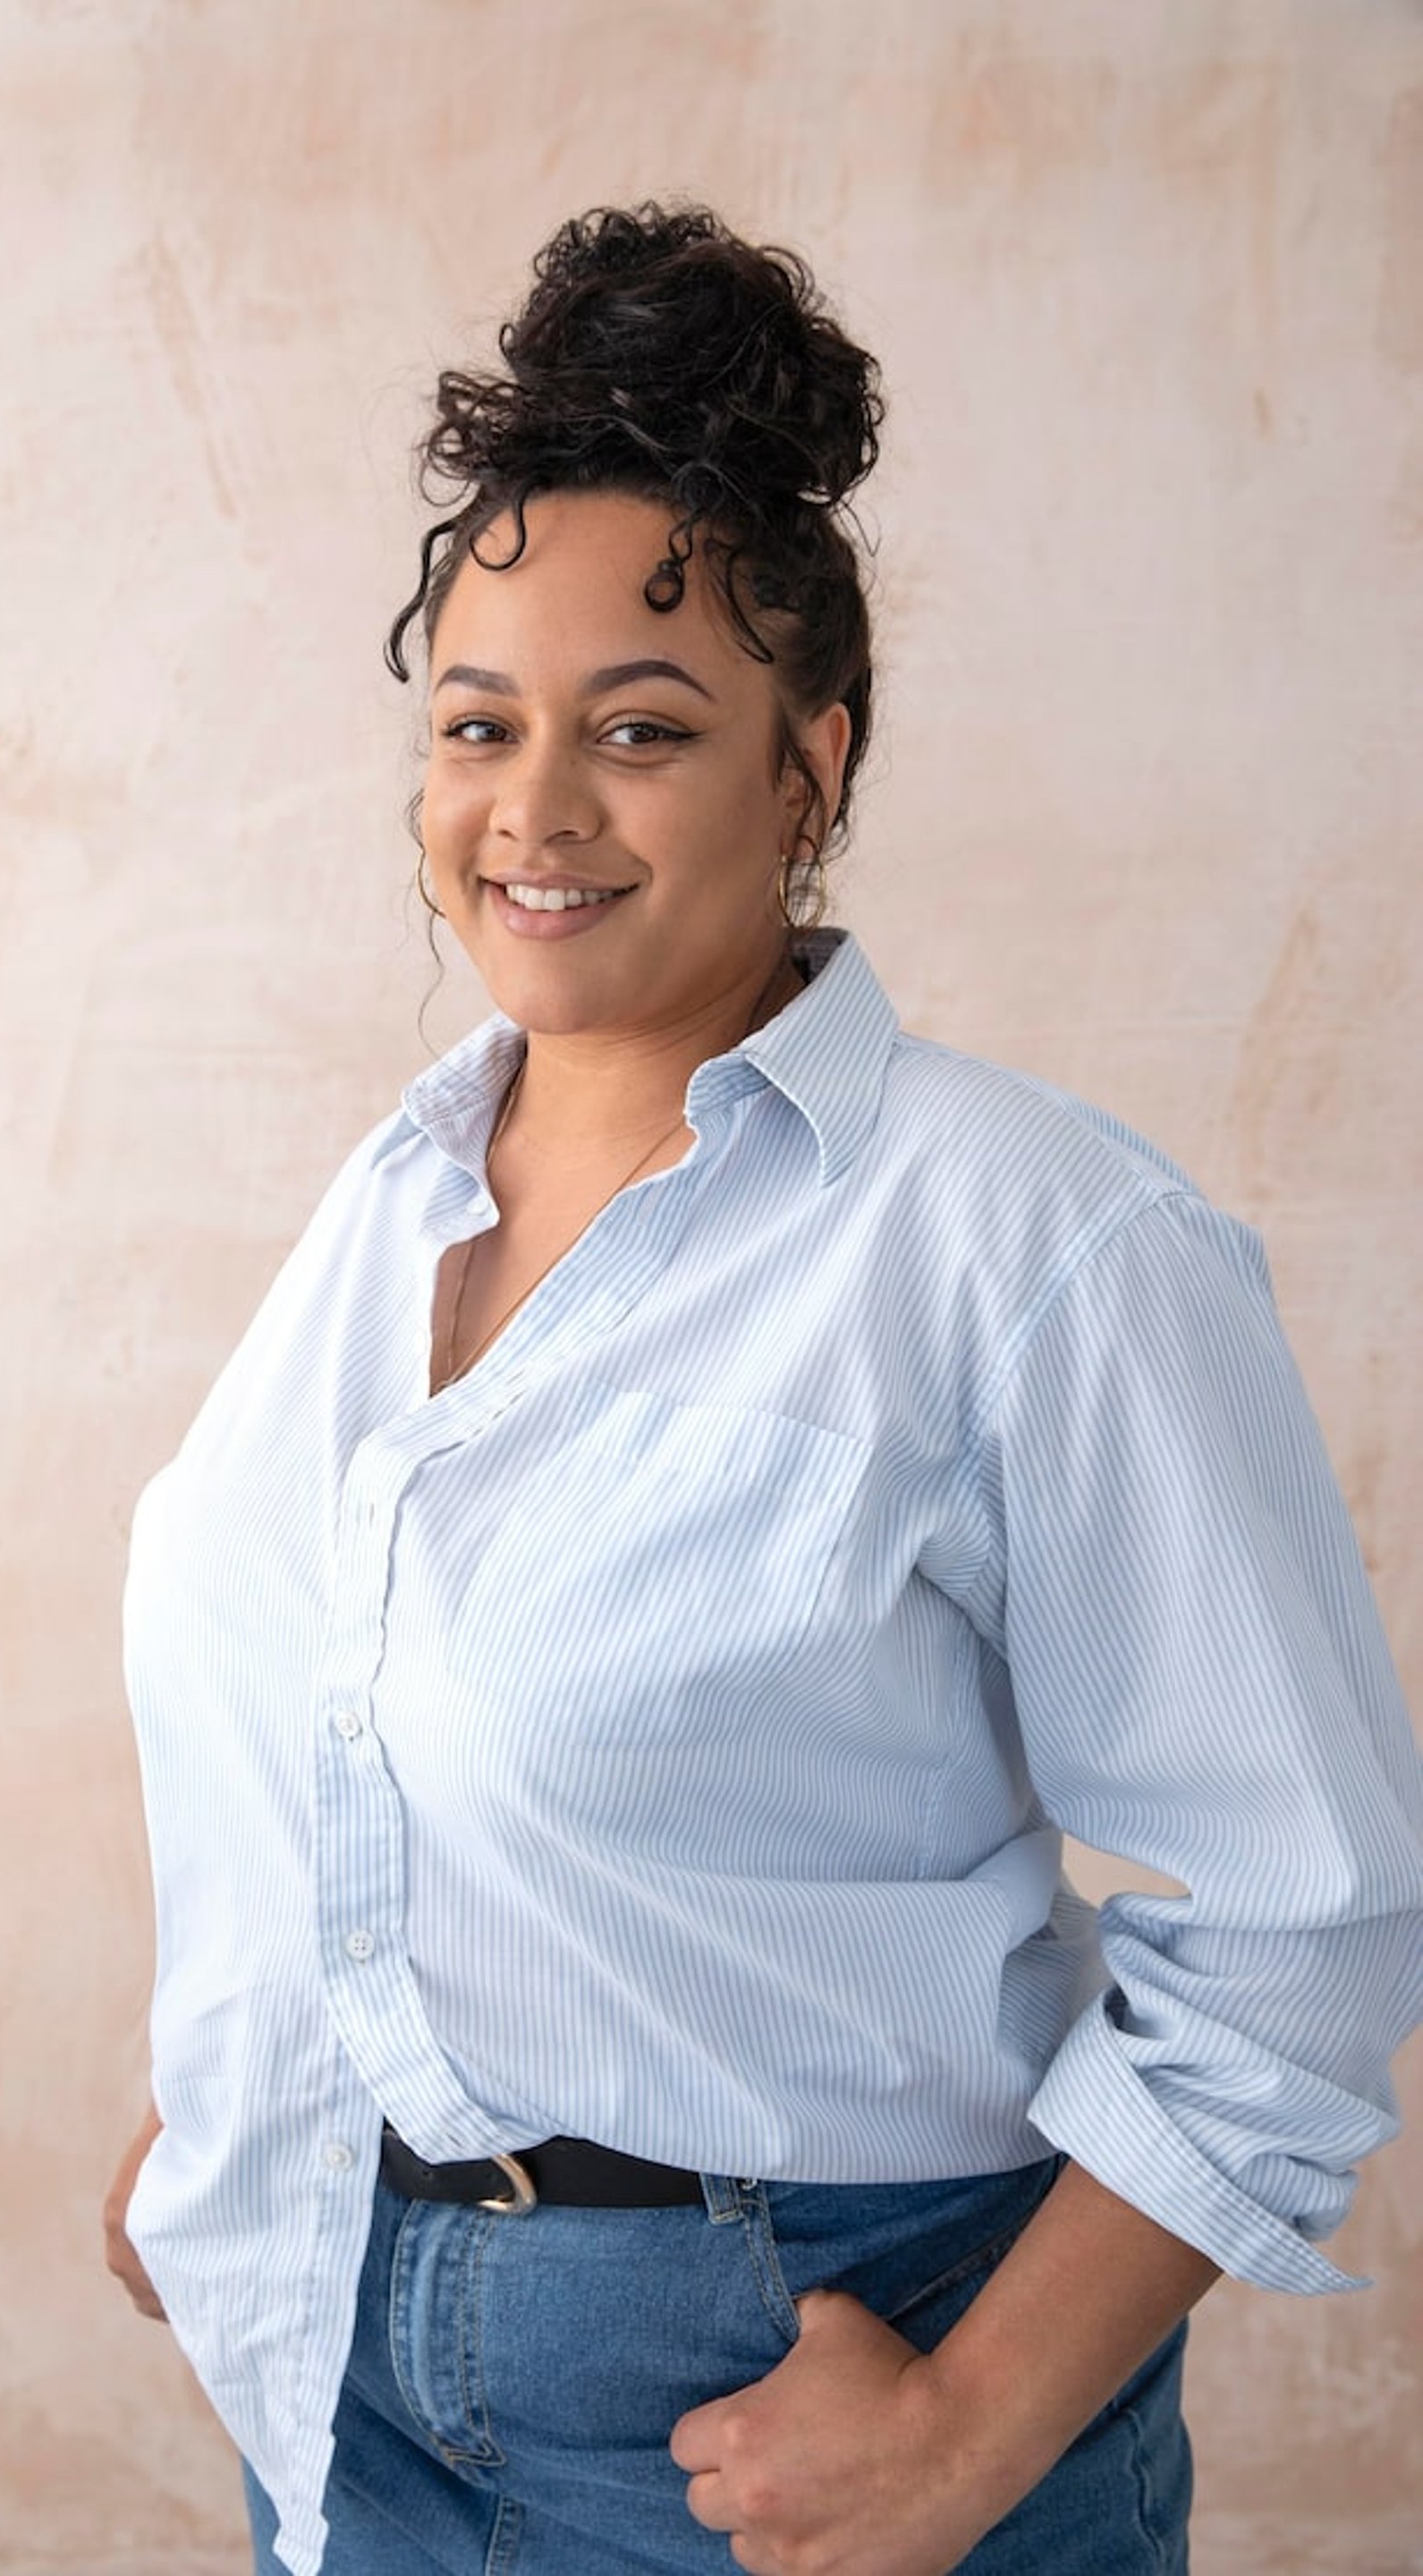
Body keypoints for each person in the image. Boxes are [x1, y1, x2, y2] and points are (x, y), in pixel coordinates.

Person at [103, 204, 1422, 2576]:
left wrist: (969, 2437)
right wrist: (243, 2111)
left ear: (811, 763)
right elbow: (328, 1718)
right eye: (479, 726)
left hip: (791, 2398)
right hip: (341, 2369)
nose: (539, 806)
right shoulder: (390, 1203)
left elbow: (1306, 1918)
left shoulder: (1033, 1238)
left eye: (642, 729)